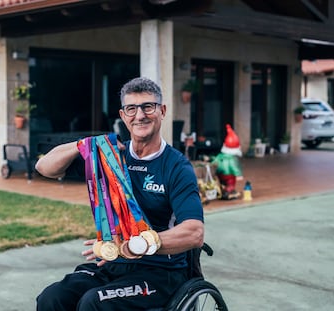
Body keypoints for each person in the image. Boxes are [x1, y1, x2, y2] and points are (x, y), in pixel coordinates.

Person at [35, 77, 204, 311]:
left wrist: (135, 245)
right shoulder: (109, 156)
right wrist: (84, 145)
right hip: (113, 264)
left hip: (159, 272)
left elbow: (194, 233)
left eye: (148, 106)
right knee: (52, 298)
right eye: (131, 108)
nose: (140, 115)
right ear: (123, 116)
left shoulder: (177, 167)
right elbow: (45, 167)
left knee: (92, 303)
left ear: (162, 111)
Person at [211, 124, 244, 200]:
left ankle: (223, 190)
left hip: (220, 173)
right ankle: (228, 191)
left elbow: (215, 161)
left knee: (222, 182)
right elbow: (234, 167)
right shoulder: (232, 159)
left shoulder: (220, 155)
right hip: (229, 174)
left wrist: (212, 162)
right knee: (231, 183)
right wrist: (238, 174)